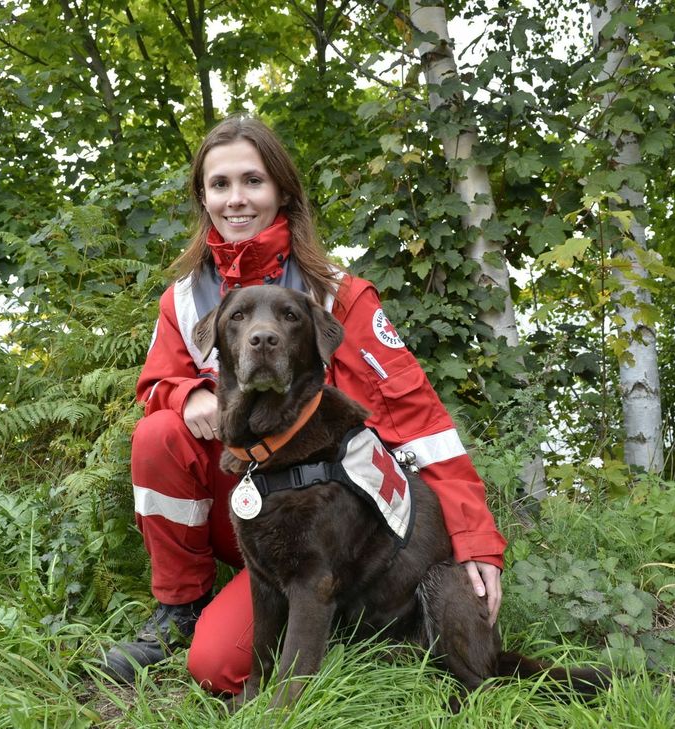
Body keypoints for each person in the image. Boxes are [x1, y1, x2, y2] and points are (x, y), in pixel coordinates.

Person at [100, 115, 507, 693]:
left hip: (317, 516)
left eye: (253, 181)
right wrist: (186, 392)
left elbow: (421, 424)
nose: (236, 199)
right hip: (236, 498)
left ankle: (320, 613)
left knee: (218, 667)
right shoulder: (187, 298)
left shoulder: (339, 296)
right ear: (203, 198)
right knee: (159, 434)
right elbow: (155, 381)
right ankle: (179, 609)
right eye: (220, 185)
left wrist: (476, 542)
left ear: (283, 192)